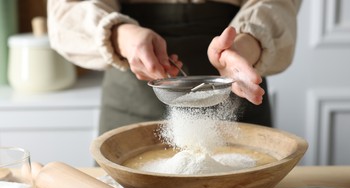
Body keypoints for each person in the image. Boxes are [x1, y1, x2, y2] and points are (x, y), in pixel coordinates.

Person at [47, 0, 301, 134]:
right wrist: (121, 36)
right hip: (130, 103)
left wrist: (244, 46)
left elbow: (277, 3)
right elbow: (67, 9)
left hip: (237, 90)